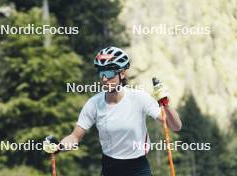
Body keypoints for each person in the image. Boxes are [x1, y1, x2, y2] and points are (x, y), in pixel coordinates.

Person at [43, 46, 182, 176]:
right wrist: (59, 146)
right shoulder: (94, 104)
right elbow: (75, 137)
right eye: (101, 73)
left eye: (109, 73)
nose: (104, 79)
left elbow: (175, 126)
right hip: (110, 168)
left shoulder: (139, 98)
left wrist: (166, 104)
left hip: (138, 168)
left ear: (122, 73)